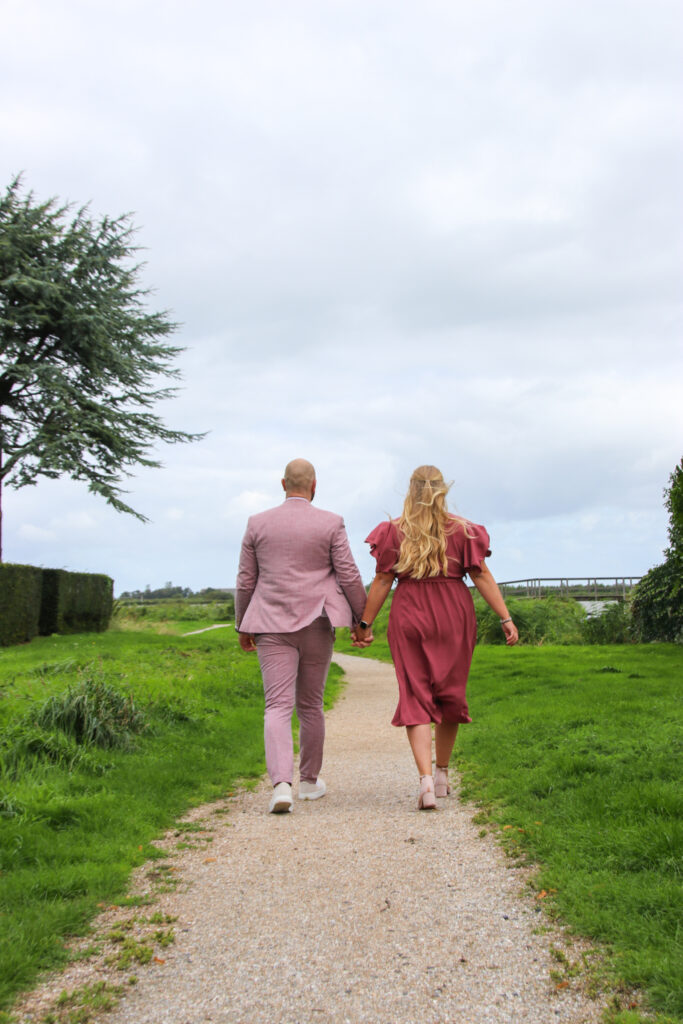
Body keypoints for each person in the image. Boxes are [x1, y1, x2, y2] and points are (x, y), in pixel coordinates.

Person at [354, 465, 518, 809]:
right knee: (450, 693)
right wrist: (505, 617)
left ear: (410, 490)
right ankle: (442, 773)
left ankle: (425, 781)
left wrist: (365, 624)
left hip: (410, 611)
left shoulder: (393, 531)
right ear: (442, 489)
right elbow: (482, 576)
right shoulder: (464, 531)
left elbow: (383, 580)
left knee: (414, 694)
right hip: (453, 613)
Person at [235, 458, 368, 814]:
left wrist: (242, 624)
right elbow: (349, 574)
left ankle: (281, 785)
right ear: (314, 485)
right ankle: (309, 782)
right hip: (317, 622)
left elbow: (246, 580)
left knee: (277, 706)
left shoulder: (257, 523)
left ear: (283, 484)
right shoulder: (331, 522)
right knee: (310, 705)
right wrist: (361, 621)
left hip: (270, 623)